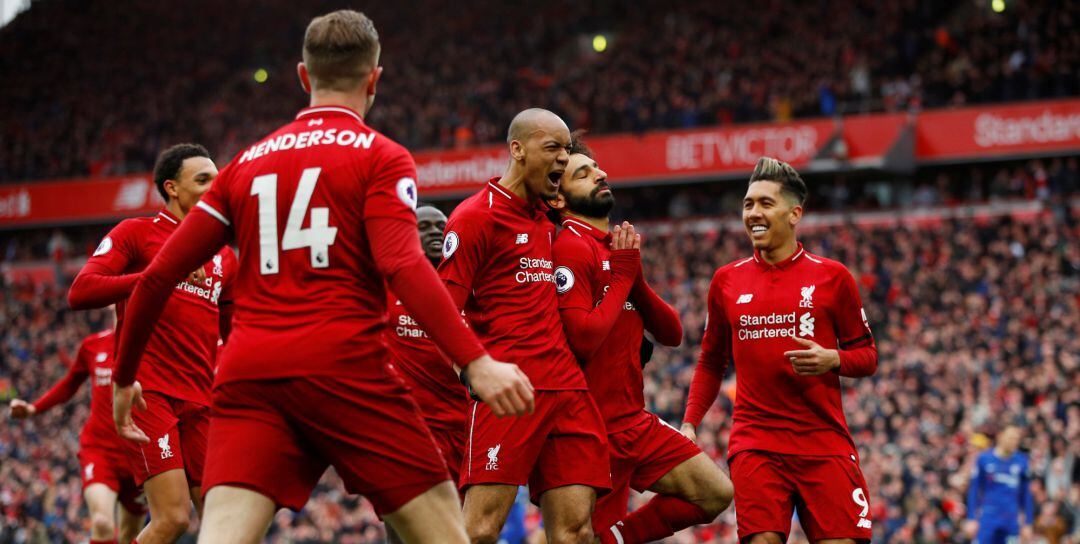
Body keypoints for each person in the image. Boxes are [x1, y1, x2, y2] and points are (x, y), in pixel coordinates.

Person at [108, 10, 533, 544]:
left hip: (251, 377)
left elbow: (154, 279)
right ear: (375, 79)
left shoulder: (242, 165)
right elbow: (401, 263)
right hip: (347, 369)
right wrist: (476, 361)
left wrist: (124, 379)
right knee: (449, 534)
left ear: (303, 77)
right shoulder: (383, 157)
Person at [682, 157, 878, 544]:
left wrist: (833, 359)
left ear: (794, 214)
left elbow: (867, 356)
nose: (753, 213)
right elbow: (711, 361)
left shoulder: (832, 277)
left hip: (823, 441)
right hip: (756, 442)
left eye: (765, 204)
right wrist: (690, 422)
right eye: (748, 203)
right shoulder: (726, 281)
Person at [548, 137, 733, 544]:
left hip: (633, 420)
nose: (600, 174)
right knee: (574, 534)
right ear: (559, 199)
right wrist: (622, 275)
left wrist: (632, 274)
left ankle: (613, 539)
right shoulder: (569, 249)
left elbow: (672, 333)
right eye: (584, 173)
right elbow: (583, 340)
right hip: (590, 429)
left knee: (714, 493)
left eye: (596, 168)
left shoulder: (615, 251)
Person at [438, 108, 611, 544]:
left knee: (575, 531)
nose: (562, 158)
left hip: (568, 391)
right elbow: (442, 310)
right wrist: (470, 372)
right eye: (552, 148)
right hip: (511, 390)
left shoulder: (549, 217)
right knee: (477, 531)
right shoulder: (476, 217)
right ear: (517, 149)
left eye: (567, 150)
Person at [69, 143, 236, 544]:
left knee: (223, 517)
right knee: (173, 519)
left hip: (201, 400)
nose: (215, 184)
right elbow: (81, 291)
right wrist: (157, 276)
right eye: (202, 179)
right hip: (149, 393)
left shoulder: (223, 256)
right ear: (172, 188)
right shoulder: (137, 233)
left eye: (217, 177)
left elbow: (236, 330)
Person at [8, 320, 146, 544]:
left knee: (132, 535)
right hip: (100, 452)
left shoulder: (156, 346)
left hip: (139, 456)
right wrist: (34, 408)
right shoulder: (94, 345)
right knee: (102, 523)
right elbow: (70, 383)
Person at [965, 425, 1035, 544]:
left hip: (1011, 519)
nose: (1014, 442)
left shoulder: (1021, 461)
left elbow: (1026, 494)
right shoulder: (984, 459)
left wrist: (1028, 523)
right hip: (988, 517)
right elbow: (975, 489)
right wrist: (971, 518)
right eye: (1011, 438)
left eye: (1017, 439)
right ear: (1000, 437)